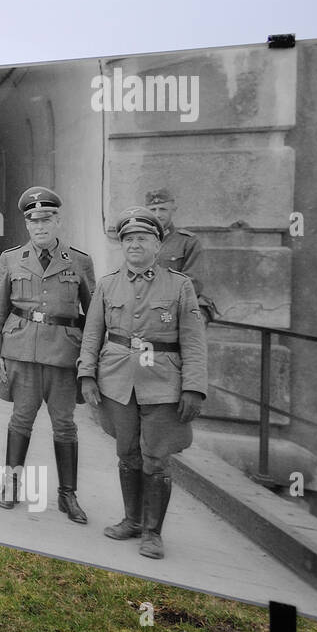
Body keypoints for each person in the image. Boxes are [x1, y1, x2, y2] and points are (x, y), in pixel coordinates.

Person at [77, 206, 208, 559]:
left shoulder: (180, 287)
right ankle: (132, 520)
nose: (134, 244)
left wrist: (194, 387)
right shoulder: (106, 285)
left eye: (142, 238)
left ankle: (153, 533)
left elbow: (194, 341)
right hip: (117, 382)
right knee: (126, 453)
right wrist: (86, 375)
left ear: (158, 244)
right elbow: (92, 337)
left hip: (163, 384)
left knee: (156, 458)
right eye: (128, 239)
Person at [0, 186, 95, 521]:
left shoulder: (78, 261)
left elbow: (94, 317)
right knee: (21, 419)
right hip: (22, 350)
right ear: (26, 224)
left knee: (64, 425)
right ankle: (13, 486)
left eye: (46, 219)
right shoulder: (11, 259)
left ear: (58, 220)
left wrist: (89, 361)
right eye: (33, 220)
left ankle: (68, 496)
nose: (39, 226)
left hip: (64, 354)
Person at [145, 188, 213, 322]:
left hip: (176, 309)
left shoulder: (188, 242)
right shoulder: (139, 242)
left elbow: (193, 284)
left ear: (173, 210)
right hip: (143, 308)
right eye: (153, 210)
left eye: (163, 209)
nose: (158, 214)